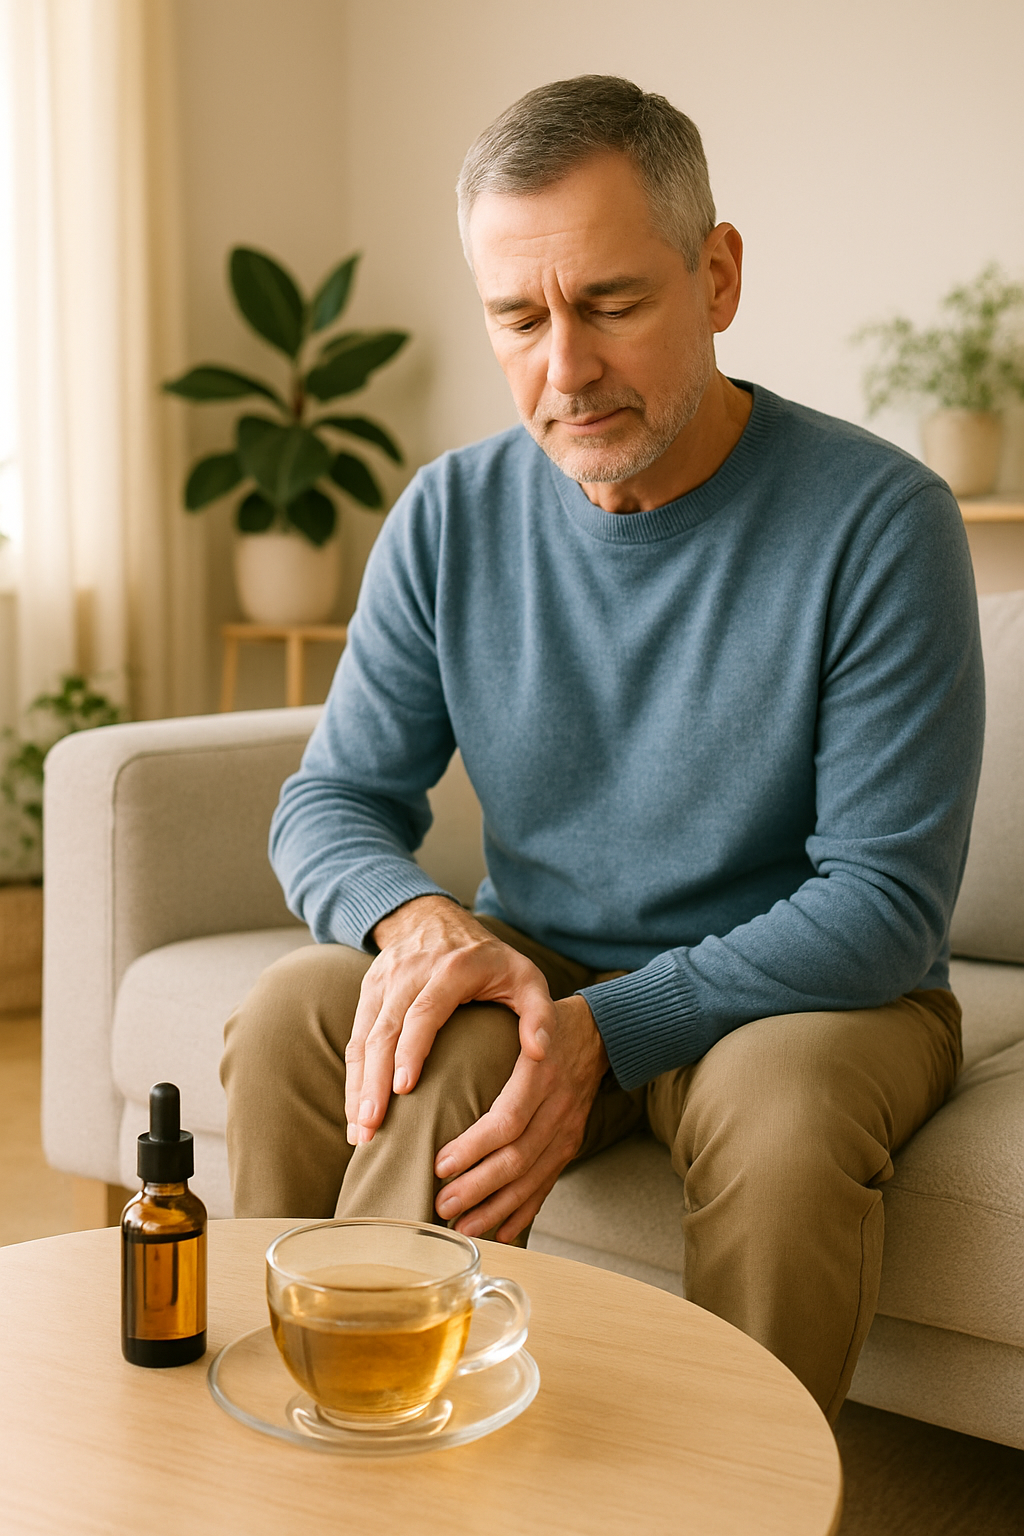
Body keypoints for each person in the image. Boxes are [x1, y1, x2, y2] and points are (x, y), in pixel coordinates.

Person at [221, 75, 984, 1421]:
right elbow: (331, 800)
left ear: (717, 275)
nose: (564, 369)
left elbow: (883, 903)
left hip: (811, 996)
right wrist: (426, 932)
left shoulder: (880, 522)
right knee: (300, 1008)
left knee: (785, 1113)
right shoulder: (451, 514)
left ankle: (742, 1492)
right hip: (541, 955)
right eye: (520, 319)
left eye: (611, 305)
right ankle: (317, 1437)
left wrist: (602, 1031)